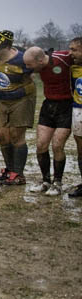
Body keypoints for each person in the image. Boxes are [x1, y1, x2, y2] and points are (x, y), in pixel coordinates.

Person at [24, 45, 74, 195]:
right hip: (48, 105)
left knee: (57, 145)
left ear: (40, 60)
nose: (27, 68)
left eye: (29, 65)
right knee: (41, 144)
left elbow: (77, 54)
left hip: (66, 106)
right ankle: (45, 181)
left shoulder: (63, 58)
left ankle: (57, 183)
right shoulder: (36, 65)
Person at [0, 30, 36, 186]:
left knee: (16, 135)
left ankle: (19, 174)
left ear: (6, 46)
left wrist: (20, 91)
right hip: (3, 99)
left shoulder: (22, 59)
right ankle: (9, 170)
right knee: (2, 133)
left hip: (21, 99)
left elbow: (32, 79)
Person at [67, 36, 82, 197]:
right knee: (80, 148)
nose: (71, 53)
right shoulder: (73, 68)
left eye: (75, 50)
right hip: (78, 109)